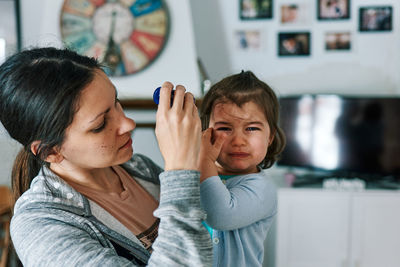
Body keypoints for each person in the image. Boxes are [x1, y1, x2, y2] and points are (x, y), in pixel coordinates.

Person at [0, 47, 212, 266]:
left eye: (117, 103)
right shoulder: (39, 227)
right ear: (50, 151)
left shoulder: (141, 169)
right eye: (100, 125)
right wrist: (179, 170)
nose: (129, 124)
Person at [198, 70, 286, 267]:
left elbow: (219, 215)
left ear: (270, 137)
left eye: (252, 128)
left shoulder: (263, 189)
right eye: (224, 128)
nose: (238, 141)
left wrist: (204, 161)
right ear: (207, 133)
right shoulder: (198, 177)